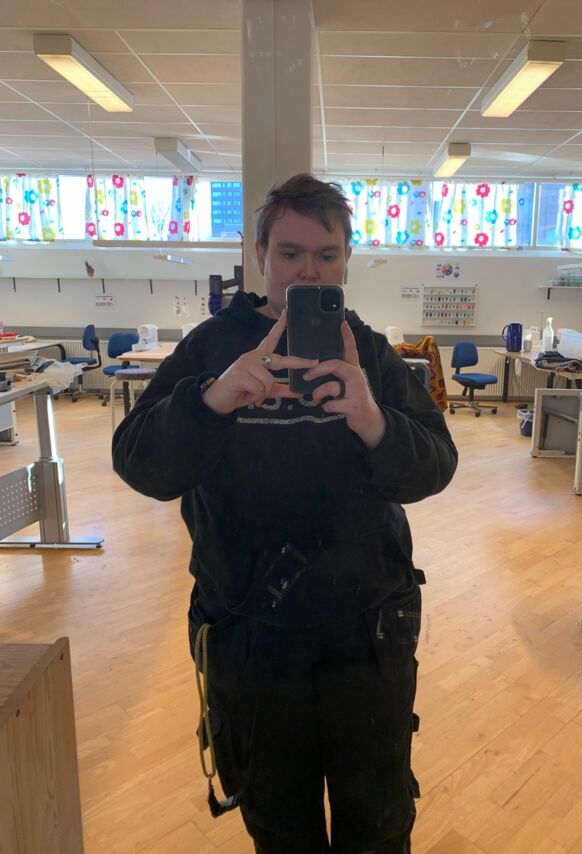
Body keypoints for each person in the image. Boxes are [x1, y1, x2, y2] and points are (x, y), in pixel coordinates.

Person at [112, 173, 458, 854]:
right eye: (291, 253)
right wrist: (211, 401)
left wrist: (372, 418)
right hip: (249, 635)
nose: (309, 270)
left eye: (327, 255)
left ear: (347, 259)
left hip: (368, 632)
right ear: (260, 255)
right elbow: (140, 464)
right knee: (278, 827)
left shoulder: (369, 352)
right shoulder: (211, 349)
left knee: (379, 825)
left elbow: (436, 466)